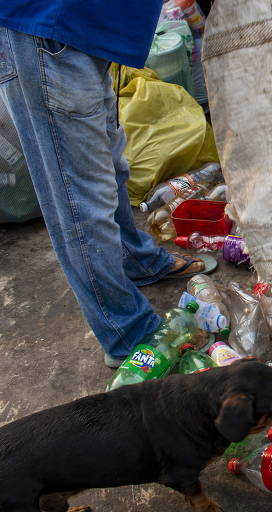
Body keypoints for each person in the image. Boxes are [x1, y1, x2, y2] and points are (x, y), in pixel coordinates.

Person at [0, 1, 215, 368]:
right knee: (80, 199)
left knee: (112, 168)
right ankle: (127, 333)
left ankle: (137, 259)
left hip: (87, 32)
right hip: (51, 31)